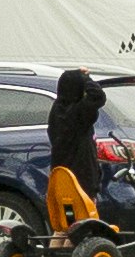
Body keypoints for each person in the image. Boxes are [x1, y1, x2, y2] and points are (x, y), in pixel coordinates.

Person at [43, 67, 108, 243]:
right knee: (81, 226)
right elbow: (98, 97)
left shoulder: (56, 111)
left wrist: (76, 75)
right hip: (82, 179)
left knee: (63, 228)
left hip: (61, 179)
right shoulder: (80, 113)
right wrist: (86, 77)